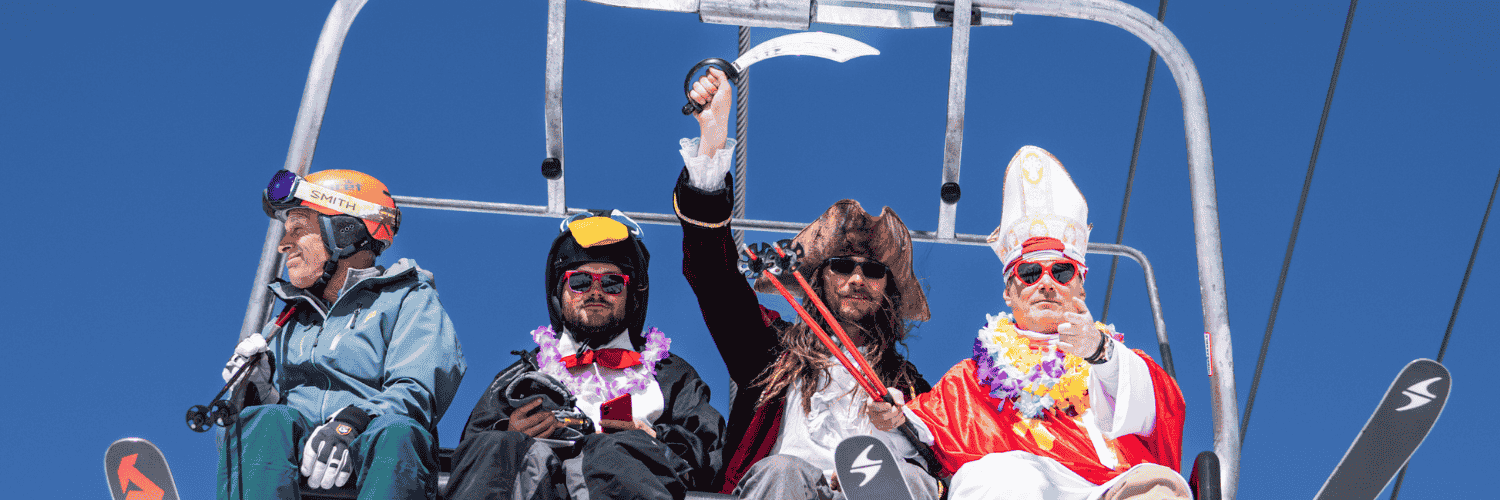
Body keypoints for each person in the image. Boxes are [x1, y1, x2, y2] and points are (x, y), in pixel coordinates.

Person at [674, 68, 940, 499]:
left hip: (876, 492)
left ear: (887, 290)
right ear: (818, 277)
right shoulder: (769, 350)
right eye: (841, 266)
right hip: (787, 490)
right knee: (783, 469)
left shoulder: (910, 385)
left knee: (907, 477)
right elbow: (713, 276)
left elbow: (946, 456)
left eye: (873, 271)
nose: (857, 278)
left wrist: (907, 427)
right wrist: (713, 135)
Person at [900, 146, 1190, 500]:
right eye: (1030, 272)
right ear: (1009, 291)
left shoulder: (1117, 362)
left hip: (1112, 488)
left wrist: (1098, 352)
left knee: (1157, 489)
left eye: (1062, 271)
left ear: (1081, 284)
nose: (1047, 283)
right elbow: (916, 429)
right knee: (999, 477)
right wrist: (890, 417)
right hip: (1018, 488)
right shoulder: (968, 380)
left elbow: (1160, 410)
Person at [218, 169, 467, 499]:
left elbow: (417, 387)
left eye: (298, 229)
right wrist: (256, 389)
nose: (283, 244)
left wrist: (351, 424)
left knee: (397, 431)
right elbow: (268, 422)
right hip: (301, 466)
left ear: (344, 231)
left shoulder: (407, 299)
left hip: (371, 459)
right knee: (263, 421)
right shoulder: (289, 317)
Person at [444, 211, 725, 500]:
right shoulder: (520, 379)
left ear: (632, 294)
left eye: (612, 283)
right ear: (559, 291)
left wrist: (653, 439)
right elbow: (471, 454)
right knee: (498, 447)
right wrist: (510, 430)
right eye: (579, 281)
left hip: (628, 487)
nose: (595, 292)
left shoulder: (671, 375)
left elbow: (712, 454)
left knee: (612, 451)